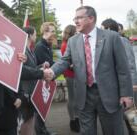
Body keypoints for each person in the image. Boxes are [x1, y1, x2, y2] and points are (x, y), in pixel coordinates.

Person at [44, 6, 133, 135]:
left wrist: (126, 94)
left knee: (113, 131)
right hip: (84, 95)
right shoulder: (73, 41)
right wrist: (52, 72)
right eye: (75, 18)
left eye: (79, 17)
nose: (75, 21)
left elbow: (123, 68)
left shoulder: (112, 37)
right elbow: (65, 60)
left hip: (109, 96)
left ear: (91, 18)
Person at [101, 18, 137, 135]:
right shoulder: (105, 42)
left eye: (102, 29)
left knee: (130, 115)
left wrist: (132, 84)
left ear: (109, 29)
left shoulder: (122, 40)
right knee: (119, 117)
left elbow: (130, 64)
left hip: (125, 86)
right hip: (113, 87)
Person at [34, 22, 57, 135]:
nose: (54, 33)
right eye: (52, 31)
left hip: (44, 81)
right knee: (40, 110)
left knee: (43, 109)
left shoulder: (47, 45)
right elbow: (46, 66)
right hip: (40, 82)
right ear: (45, 32)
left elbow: (51, 63)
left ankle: (43, 131)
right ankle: (41, 132)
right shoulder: (40, 47)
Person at [60, 24, 80, 132]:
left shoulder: (68, 43)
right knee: (72, 98)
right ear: (72, 32)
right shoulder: (65, 44)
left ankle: (76, 118)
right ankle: (73, 120)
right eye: (75, 31)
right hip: (70, 74)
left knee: (75, 98)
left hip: (73, 74)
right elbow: (67, 61)